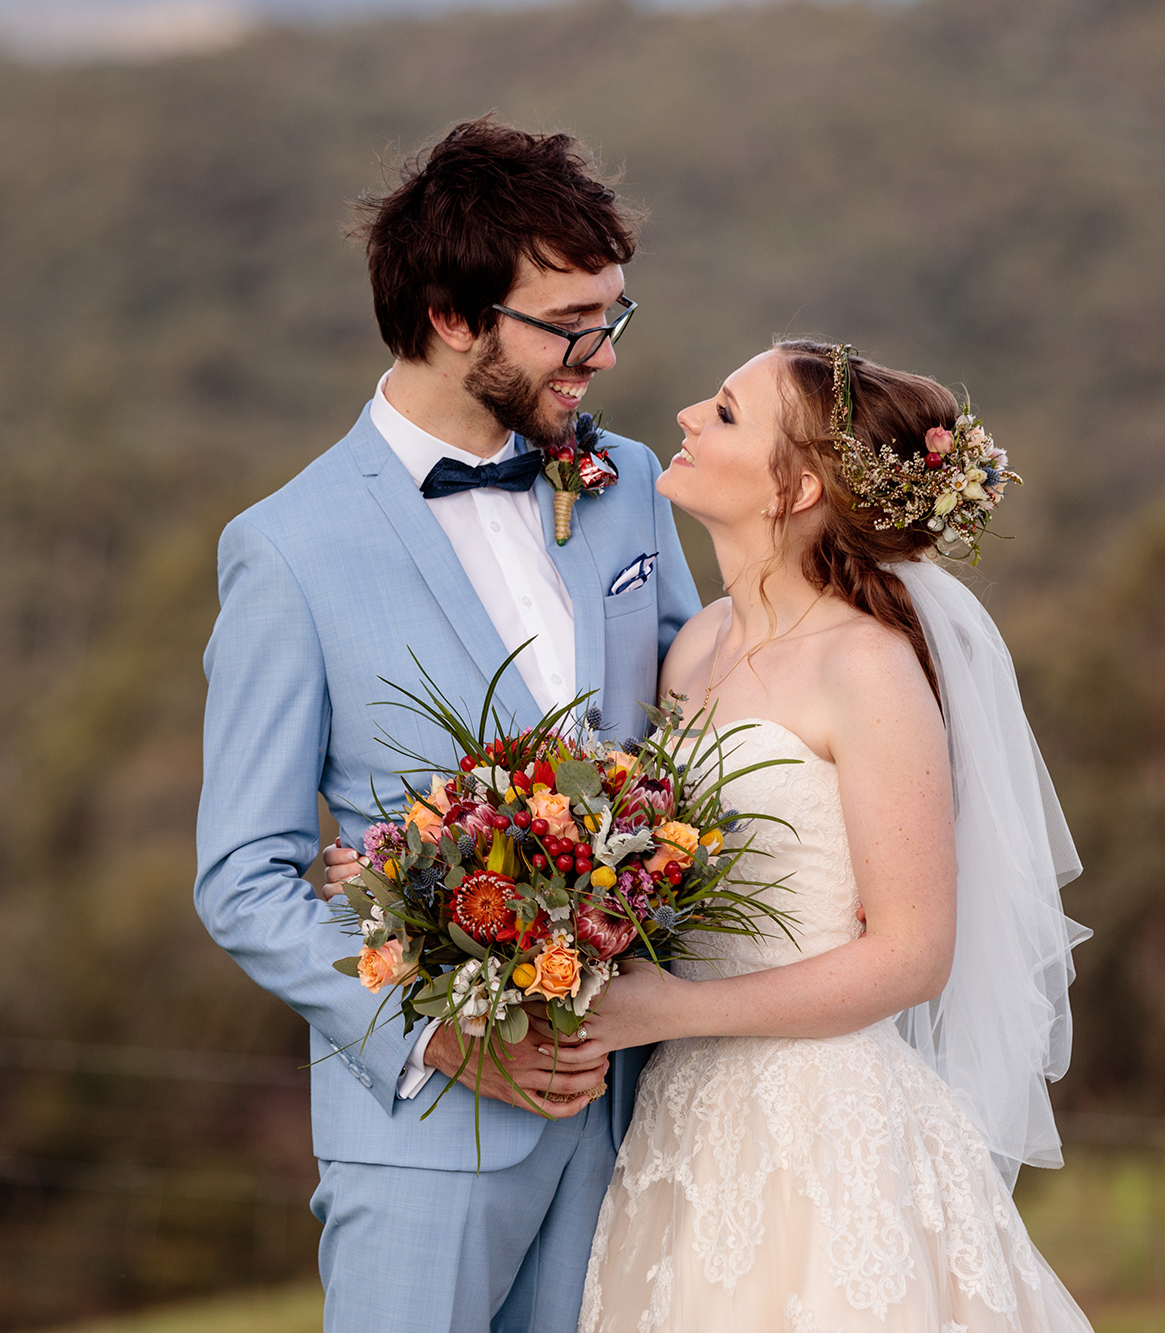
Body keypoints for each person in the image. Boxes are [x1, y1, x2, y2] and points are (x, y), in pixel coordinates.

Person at [323, 340, 1094, 1330]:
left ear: (796, 485)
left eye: (726, 413)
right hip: (678, 1127)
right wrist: (414, 872)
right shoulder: (694, 646)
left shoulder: (866, 668)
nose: (686, 415)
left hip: (819, 1123)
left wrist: (673, 1010)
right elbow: (603, 842)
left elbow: (911, 953)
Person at [193, 117, 700, 1333]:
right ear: (450, 315)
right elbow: (243, 879)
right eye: (569, 325)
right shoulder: (286, 550)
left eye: (610, 317)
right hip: (427, 1145)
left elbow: (698, 733)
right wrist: (442, 1039)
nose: (602, 357)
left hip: (647, 1115)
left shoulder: (626, 482)